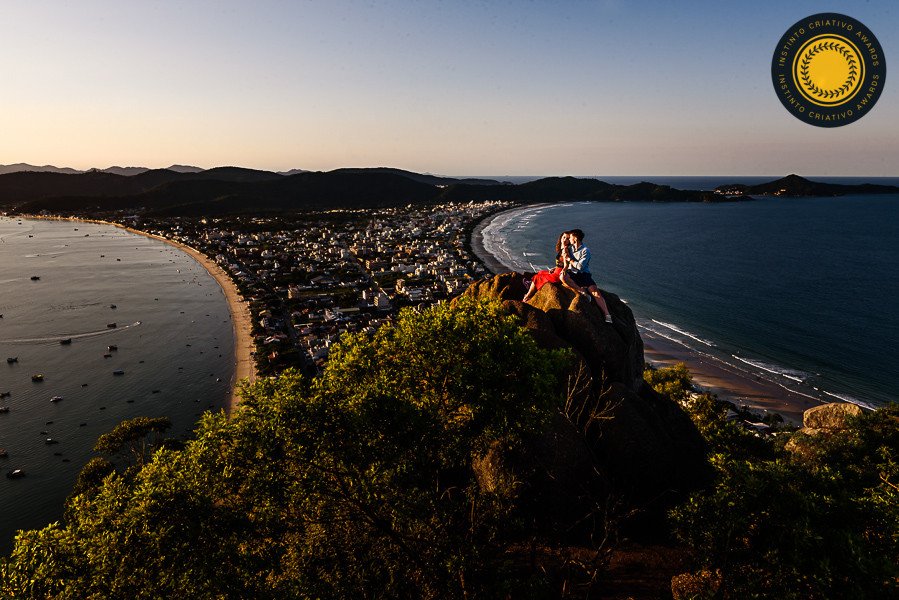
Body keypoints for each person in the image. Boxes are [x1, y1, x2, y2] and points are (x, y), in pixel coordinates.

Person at [564, 229, 613, 323]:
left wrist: (569, 259)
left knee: (595, 292)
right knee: (563, 277)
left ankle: (607, 315)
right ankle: (582, 291)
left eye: (570, 237)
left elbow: (580, 267)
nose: (569, 239)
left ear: (575, 238)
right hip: (572, 273)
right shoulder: (570, 249)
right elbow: (562, 258)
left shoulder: (585, 251)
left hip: (583, 274)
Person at [522, 232, 576, 302]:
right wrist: (554, 268)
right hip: (557, 270)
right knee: (541, 272)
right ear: (561, 238)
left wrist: (563, 270)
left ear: (569, 241)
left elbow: (566, 265)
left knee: (537, 277)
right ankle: (531, 286)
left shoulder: (565, 250)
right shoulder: (562, 248)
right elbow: (561, 263)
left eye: (567, 238)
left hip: (558, 274)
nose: (565, 240)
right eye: (564, 237)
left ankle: (527, 296)